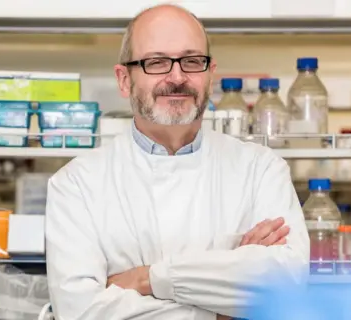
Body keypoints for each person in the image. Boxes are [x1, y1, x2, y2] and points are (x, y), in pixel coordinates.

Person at [45, 4, 309, 320]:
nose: (177, 76)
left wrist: (147, 279)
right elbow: (81, 313)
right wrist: (221, 310)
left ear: (210, 75)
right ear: (125, 80)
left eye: (192, 61)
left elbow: (286, 285)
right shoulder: (76, 184)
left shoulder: (261, 170)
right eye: (156, 62)